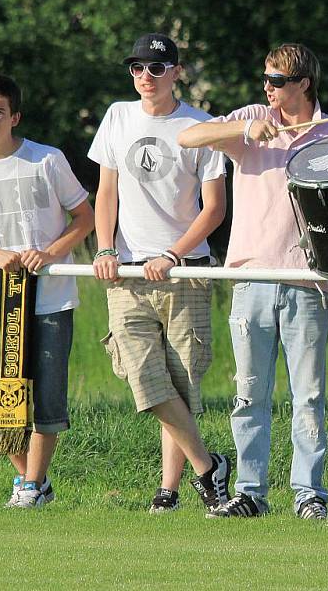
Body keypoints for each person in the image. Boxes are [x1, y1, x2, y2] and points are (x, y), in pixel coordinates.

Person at [178, 43, 328, 519]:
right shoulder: (253, 117)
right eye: (266, 79)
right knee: (249, 393)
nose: (268, 88)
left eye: (277, 81)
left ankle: (309, 495)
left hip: (307, 281)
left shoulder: (327, 130)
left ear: (303, 84)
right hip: (251, 277)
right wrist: (244, 127)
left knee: (309, 396)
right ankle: (251, 493)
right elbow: (189, 136)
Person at [89, 33, 230, 514]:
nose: (144, 77)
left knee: (180, 385)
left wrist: (171, 254)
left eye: (155, 68)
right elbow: (105, 193)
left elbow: (214, 210)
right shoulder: (116, 116)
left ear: (176, 72)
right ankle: (210, 470)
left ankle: (168, 493)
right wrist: (105, 247)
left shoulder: (203, 126)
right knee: (147, 385)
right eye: (136, 68)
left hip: (186, 273)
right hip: (126, 273)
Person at [0, 74, 94, 507]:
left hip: (50, 300)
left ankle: (30, 486)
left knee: (47, 401)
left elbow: (83, 218)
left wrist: (49, 253)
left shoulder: (46, 160)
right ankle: (34, 481)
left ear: (15, 117)